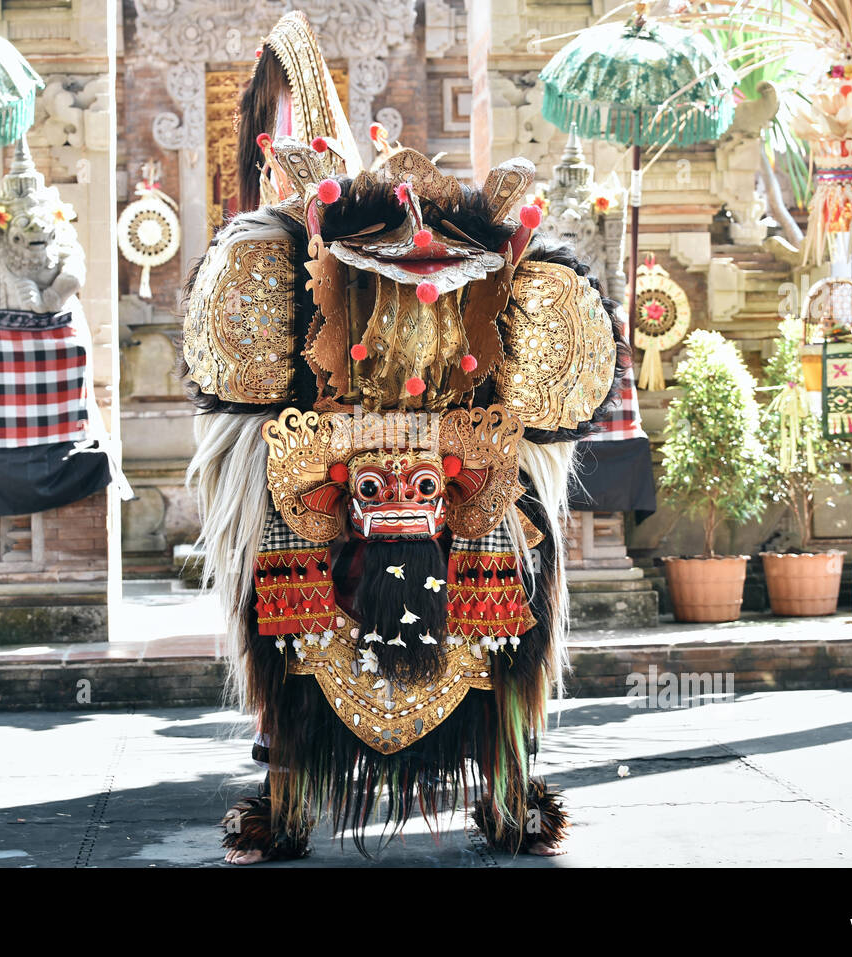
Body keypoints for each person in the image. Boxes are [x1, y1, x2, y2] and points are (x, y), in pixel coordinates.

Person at [184, 11, 630, 864]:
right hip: (331, 451)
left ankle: (499, 779)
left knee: (502, 562)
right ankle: (299, 780)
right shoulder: (269, 269)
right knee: (277, 550)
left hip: (448, 446)